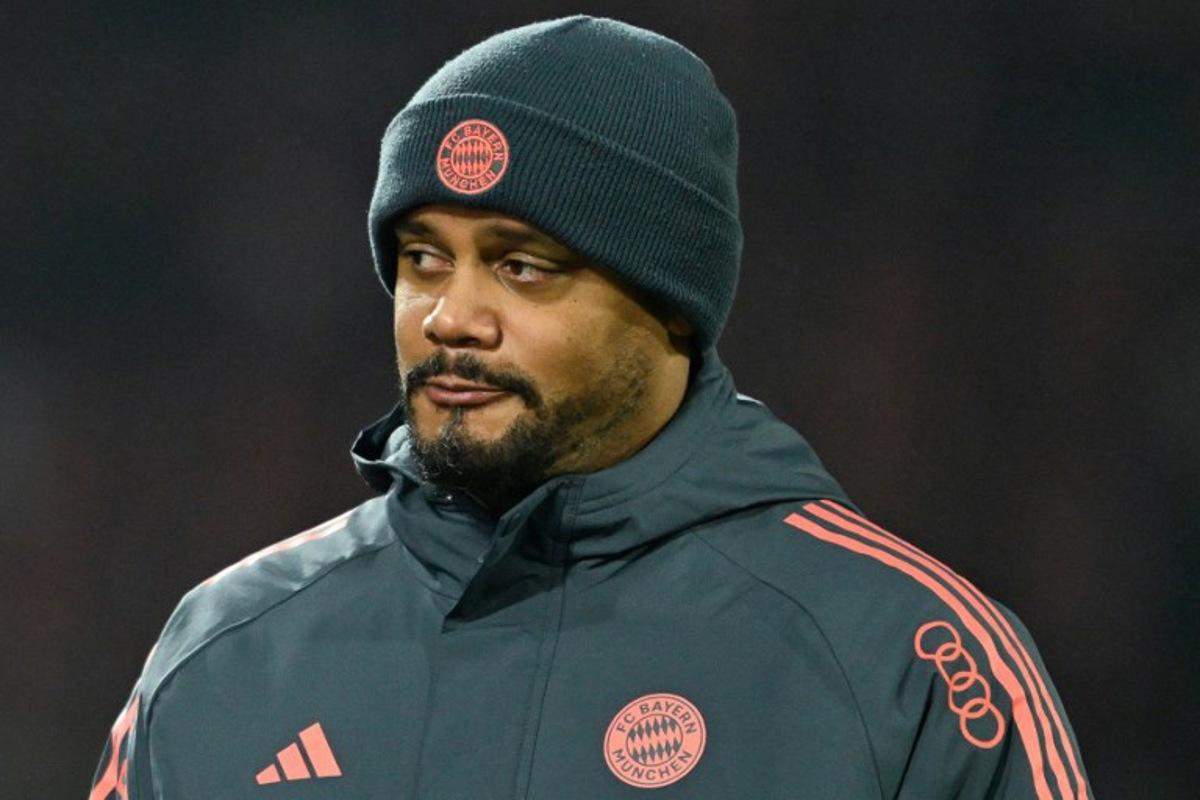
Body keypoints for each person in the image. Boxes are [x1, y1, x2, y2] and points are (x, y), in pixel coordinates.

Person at [89, 15, 1089, 800]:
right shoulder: (226, 654)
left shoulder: (909, 660)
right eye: (422, 257)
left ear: (668, 303)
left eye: (522, 267)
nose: (451, 316)